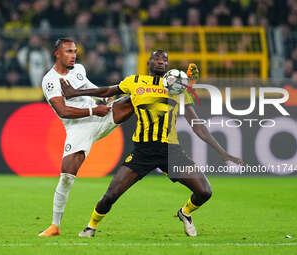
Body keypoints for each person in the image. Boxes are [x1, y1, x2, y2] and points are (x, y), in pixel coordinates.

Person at [60, 50, 243, 237]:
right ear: (148, 62)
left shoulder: (178, 87)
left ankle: (185, 213)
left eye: (165, 59)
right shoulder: (135, 81)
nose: (161, 62)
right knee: (111, 194)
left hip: (170, 151)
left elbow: (197, 125)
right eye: (157, 58)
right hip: (143, 151)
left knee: (204, 192)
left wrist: (222, 152)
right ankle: (91, 227)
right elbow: (107, 91)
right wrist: (75, 93)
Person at [38, 38, 133, 237]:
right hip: (78, 128)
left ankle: (168, 91)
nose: (73, 55)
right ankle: (55, 226)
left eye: (74, 51)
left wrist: (104, 98)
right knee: (66, 177)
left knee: (136, 99)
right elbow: (62, 111)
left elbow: (89, 86)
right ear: (57, 54)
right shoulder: (50, 80)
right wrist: (93, 110)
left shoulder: (79, 69)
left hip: (100, 116)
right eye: (68, 52)